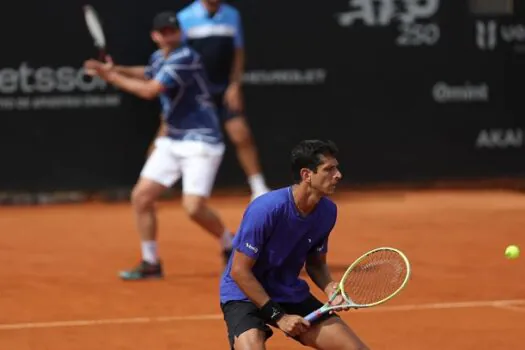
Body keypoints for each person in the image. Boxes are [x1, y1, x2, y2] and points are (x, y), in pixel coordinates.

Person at [84, 11, 234, 280]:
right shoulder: (159, 58)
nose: (168, 35)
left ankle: (229, 244)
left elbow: (149, 89)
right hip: (173, 139)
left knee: (193, 208)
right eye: (163, 31)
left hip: (201, 140)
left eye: (172, 30)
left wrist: (110, 77)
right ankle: (150, 262)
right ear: (155, 36)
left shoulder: (186, 57)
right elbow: (147, 72)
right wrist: (114, 69)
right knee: (141, 197)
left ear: (180, 33)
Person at [219, 140, 369, 350]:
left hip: (287, 290)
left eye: (336, 167)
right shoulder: (266, 209)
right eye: (329, 169)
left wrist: (330, 288)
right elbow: (239, 271)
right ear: (306, 175)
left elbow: (316, 264)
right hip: (245, 294)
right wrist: (280, 317)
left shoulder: (327, 211)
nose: (338, 175)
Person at [176, 0, 270, 201]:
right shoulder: (184, 17)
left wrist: (235, 85)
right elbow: (180, 57)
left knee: (241, 135)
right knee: (167, 133)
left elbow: (238, 53)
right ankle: (150, 186)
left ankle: (258, 187)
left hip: (224, 90)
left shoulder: (232, 15)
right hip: (195, 92)